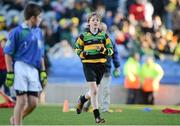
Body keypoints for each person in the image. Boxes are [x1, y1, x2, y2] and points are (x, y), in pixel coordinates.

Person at [4, 3, 47, 125]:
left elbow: (41, 54)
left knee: (33, 103)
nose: (40, 20)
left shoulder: (39, 32)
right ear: (32, 17)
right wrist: (10, 72)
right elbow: (8, 53)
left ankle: (15, 119)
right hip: (20, 67)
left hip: (33, 70)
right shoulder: (17, 32)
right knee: (21, 101)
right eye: (39, 17)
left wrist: (43, 71)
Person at [74, 12, 113, 123]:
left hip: (101, 66)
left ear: (99, 23)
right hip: (88, 65)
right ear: (89, 23)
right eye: (93, 20)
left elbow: (111, 50)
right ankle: (97, 117)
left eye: (97, 20)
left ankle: (82, 99)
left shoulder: (104, 36)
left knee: (93, 91)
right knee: (95, 91)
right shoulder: (83, 36)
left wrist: (103, 50)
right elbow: (77, 48)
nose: (95, 22)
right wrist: (83, 54)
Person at [83, 23, 120, 112]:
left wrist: (117, 66)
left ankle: (105, 109)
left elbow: (115, 54)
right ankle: (85, 106)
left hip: (106, 69)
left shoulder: (110, 41)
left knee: (105, 89)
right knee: (94, 90)